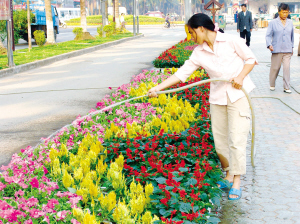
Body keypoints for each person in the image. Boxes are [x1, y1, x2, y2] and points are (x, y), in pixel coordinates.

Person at [148, 13, 258, 200]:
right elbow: (182, 73)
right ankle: (228, 174)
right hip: (217, 98)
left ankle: (237, 181)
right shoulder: (199, 52)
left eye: (192, 33)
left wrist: (240, 77)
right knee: (221, 142)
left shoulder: (231, 41)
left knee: (237, 139)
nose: (191, 38)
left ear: (201, 28)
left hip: (238, 95)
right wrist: (157, 88)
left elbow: (251, 59)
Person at [266, 3, 294, 94]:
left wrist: (292, 47)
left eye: (286, 12)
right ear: (279, 12)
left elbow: (292, 36)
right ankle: (272, 84)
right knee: (275, 68)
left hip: (287, 49)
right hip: (276, 49)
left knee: (286, 68)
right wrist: (269, 44)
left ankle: (286, 87)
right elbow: (268, 35)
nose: (285, 14)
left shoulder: (290, 22)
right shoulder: (273, 23)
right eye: (283, 12)